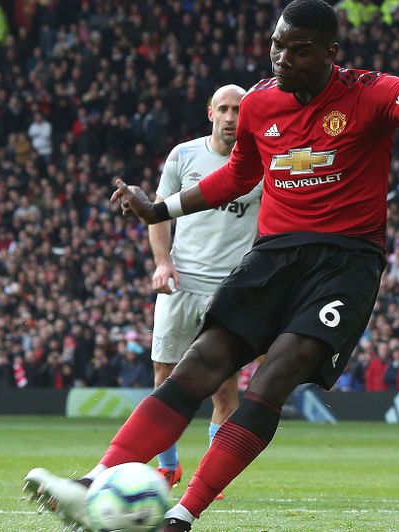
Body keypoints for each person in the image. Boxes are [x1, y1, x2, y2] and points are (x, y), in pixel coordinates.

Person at [23, 1, 399, 530]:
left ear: (331, 53)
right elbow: (240, 175)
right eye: (276, 45)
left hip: (345, 264)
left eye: (298, 49)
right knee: (199, 364)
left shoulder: (368, 93)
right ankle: (93, 482)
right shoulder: (262, 103)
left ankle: (182, 515)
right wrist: (161, 209)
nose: (281, 58)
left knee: (273, 377)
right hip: (273, 256)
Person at [148, 84, 262, 497]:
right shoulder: (183, 155)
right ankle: (168, 466)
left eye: (239, 110)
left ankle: (210, 477)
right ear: (210, 113)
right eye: (225, 109)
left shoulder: (261, 162)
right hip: (181, 283)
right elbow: (158, 214)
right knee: (165, 375)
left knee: (225, 386)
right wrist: (163, 262)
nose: (232, 117)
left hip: (229, 289)